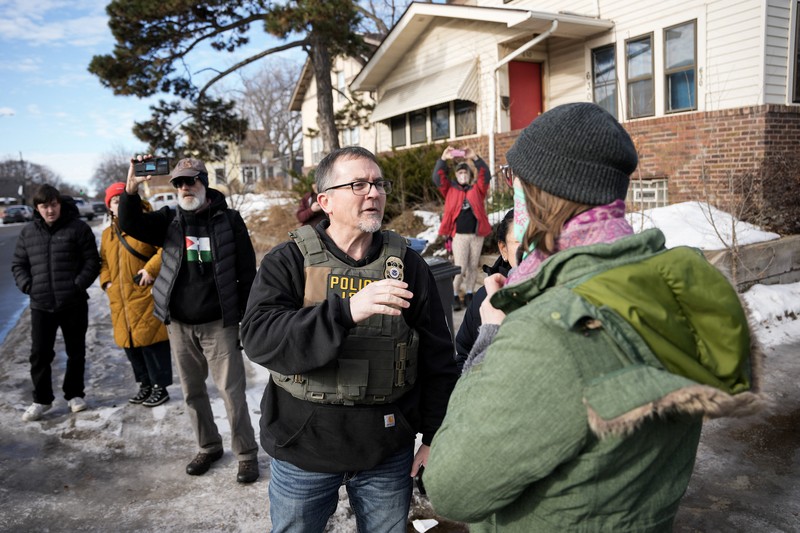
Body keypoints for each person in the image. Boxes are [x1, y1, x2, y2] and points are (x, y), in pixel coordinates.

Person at [425, 103, 762, 531]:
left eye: (514, 178)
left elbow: (453, 488)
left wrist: (490, 337)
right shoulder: (671, 285)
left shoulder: (548, 326)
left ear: (537, 192)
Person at [240, 146, 459, 532]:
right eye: (358, 184)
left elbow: (438, 358)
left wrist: (434, 435)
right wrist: (345, 312)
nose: (373, 192)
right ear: (325, 200)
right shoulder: (288, 260)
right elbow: (259, 339)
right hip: (303, 446)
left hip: (386, 449)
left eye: (378, 183)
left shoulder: (407, 264)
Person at [117, 156, 260, 484]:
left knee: (231, 391)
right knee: (192, 391)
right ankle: (209, 446)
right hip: (180, 324)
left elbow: (246, 271)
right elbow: (131, 224)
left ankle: (246, 453)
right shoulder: (169, 220)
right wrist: (131, 188)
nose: (184, 187)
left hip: (219, 323)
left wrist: (246, 317)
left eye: (190, 181)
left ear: (204, 182)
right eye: (179, 182)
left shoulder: (230, 220)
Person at [12, 184, 101, 422]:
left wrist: (77, 285)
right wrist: (28, 286)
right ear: (37, 209)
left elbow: (92, 261)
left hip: (73, 302)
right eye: (44, 206)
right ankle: (42, 399)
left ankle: (74, 395)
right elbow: (18, 264)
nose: (49, 210)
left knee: (75, 351)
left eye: (53, 205)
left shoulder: (78, 229)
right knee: (40, 353)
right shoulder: (28, 232)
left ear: (59, 204)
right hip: (41, 304)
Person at [99, 182, 173, 408]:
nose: (118, 204)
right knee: (130, 344)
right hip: (119, 299)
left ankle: (160, 387)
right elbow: (103, 262)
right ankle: (145, 384)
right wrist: (107, 282)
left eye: (122, 199)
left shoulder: (147, 224)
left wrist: (150, 270)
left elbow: (166, 250)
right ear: (109, 206)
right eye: (114, 200)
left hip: (144, 294)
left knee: (153, 343)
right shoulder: (106, 234)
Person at [454, 209, 519, 373]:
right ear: (503, 249)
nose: (531, 251)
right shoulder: (484, 299)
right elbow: (463, 354)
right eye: (520, 242)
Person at [432, 146, 492, 311]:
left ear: (469, 175)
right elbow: (438, 178)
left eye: (465, 173)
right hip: (459, 236)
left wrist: (475, 158)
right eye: (460, 173)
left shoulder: (477, 189)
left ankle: (470, 294)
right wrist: (443, 159)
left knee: (473, 267)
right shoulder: (450, 189)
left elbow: (485, 175)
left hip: (476, 235)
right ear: (456, 176)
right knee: (460, 267)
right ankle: (454, 295)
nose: (463, 175)